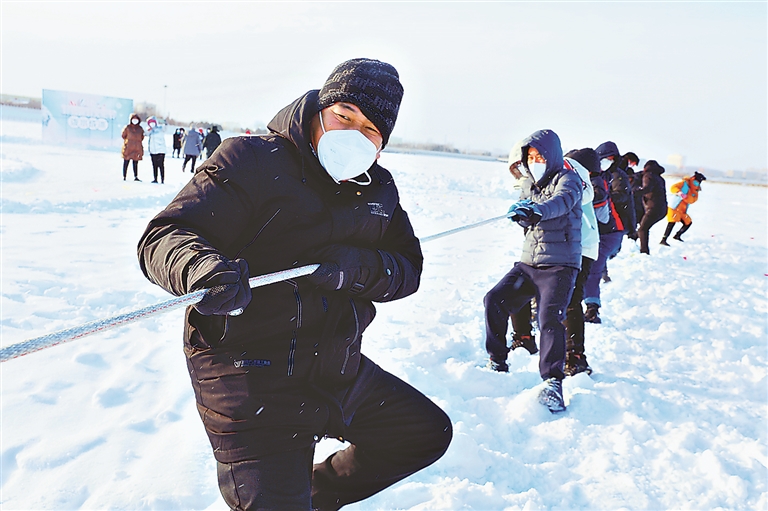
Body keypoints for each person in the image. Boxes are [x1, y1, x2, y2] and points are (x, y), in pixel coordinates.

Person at [137, 58, 452, 511]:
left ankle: (312, 496)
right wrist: (201, 268)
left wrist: (355, 268)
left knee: (424, 433)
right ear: (320, 109)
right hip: (248, 372)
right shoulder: (250, 159)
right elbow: (164, 238)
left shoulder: (379, 190)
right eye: (345, 115)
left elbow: (408, 269)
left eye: (370, 130)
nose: (353, 133)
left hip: (332, 365)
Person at [483, 129, 582, 413]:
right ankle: (497, 362)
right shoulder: (529, 183)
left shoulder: (569, 180)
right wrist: (522, 214)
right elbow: (532, 222)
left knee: (549, 317)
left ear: (552, 156)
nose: (535, 161)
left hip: (560, 265)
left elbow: (559, 203)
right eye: (531, 157)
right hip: (529, 263)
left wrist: (537, 211)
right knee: (495, 300)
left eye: (540, 156)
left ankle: (553, 383)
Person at [583, 147, 625, 324]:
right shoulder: (599, 178)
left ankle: (592, 309)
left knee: (592, 268)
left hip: (610, 233)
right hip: (608, 232)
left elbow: (603, 211)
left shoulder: (596, 180)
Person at [660, 171, 706, 245]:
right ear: (693, 178)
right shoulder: (684, 184)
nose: (696, 183)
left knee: (688, 222)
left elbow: (693, 200)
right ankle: (663, 239)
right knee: (672, 222)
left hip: (683, 210)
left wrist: (687, 197)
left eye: (698, 182)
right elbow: (673, 188)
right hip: (674, 207)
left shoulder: (695, 190)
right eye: (696, 181)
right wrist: (679, 192)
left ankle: (677, 235)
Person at [635, 160, 668, 254]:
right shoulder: (659, 178)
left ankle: (644, 252)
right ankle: (634, 241)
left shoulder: (648, 176)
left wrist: (633, 192)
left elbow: (646, 189)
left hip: (654, 208)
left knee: (643, 229)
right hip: (662, 208)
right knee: (643, 227)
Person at [121, 113, 143, 181]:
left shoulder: (140, 129)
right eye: (133, 119)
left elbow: (142, 137)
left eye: (136, 119)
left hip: (136, 148)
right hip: (128, 148)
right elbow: (123, 135)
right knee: (126, 162)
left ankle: (135, 176)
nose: (135, 121)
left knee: (135, 163)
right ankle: (124, 176)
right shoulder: (127, 127)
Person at [146, 116, 167, 184]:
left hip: (161, 151)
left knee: (161, 165)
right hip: (153, 151)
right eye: (150, 123)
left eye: (153, 122)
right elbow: (144, 134)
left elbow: (165, 128)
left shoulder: (160, 129)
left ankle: (162, 179)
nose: (152, 124)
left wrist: (165, 123)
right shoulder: (149, 131)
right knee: (154, 166)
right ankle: (155, 179)